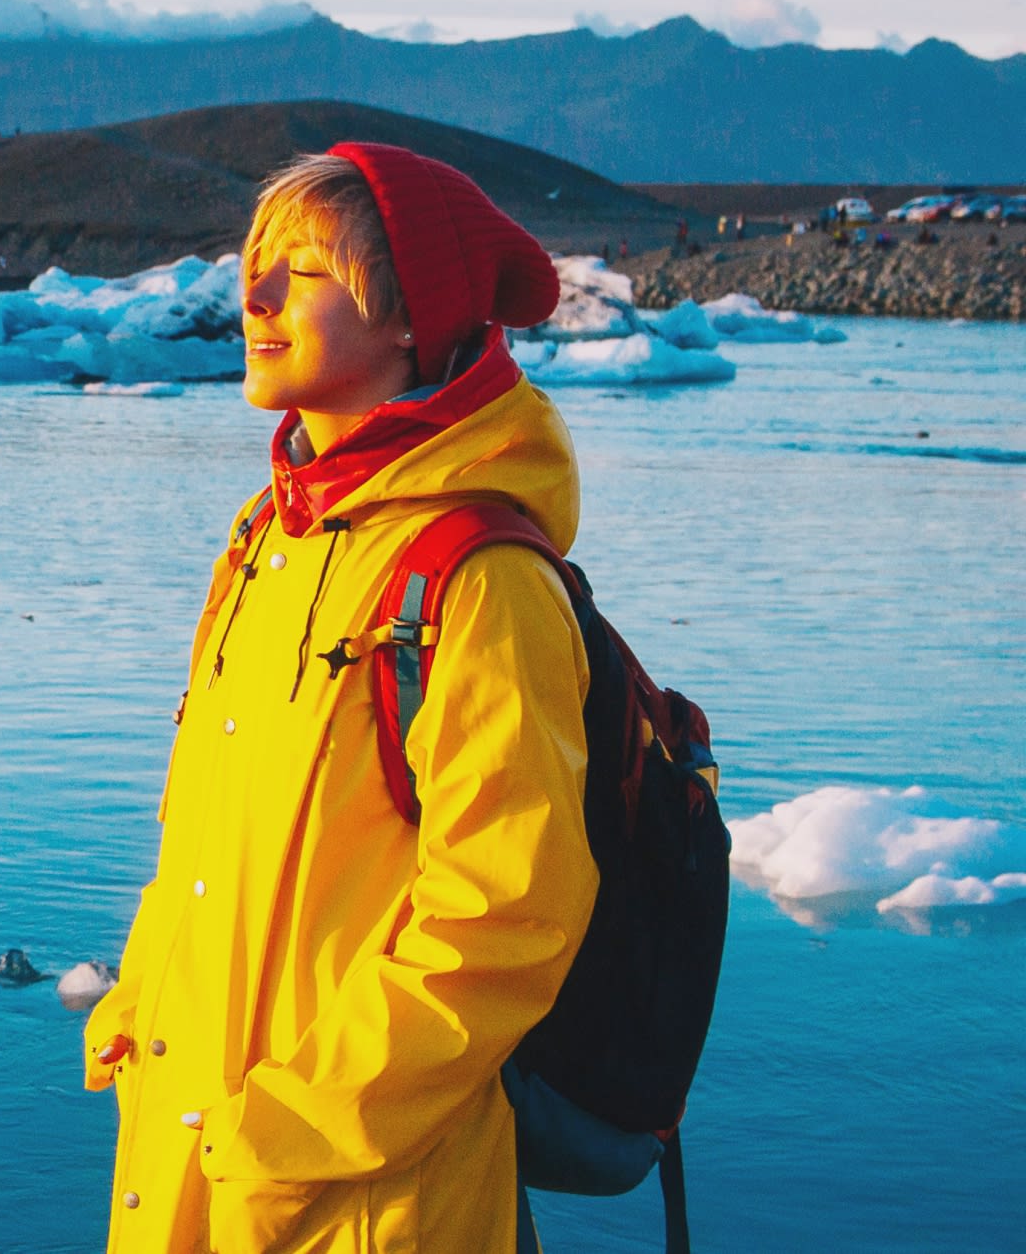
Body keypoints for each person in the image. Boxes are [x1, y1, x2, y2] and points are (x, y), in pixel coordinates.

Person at [85, 144, 597, 1254]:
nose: (254, 299)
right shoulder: (268, 535)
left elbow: (506, 919)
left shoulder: (476, 577)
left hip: (355, 1199)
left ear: (411, 315)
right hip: (191, 1149)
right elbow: (205, 836)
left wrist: (290, 1133)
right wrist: (138, 1010)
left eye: (304, 273)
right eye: (253, 266)